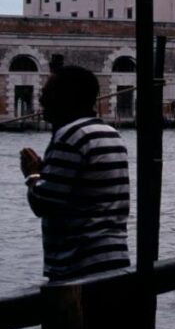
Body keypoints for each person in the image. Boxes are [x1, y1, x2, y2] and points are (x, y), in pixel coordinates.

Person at [20, 65, 130, 282]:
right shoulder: (110, 133)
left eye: (47, 95)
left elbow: (43, 204)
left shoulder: (69, 136)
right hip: (114, 259)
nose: (42, 102)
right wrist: (48, 173)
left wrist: (32, 175)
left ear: (67, 98)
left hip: (79, 266)